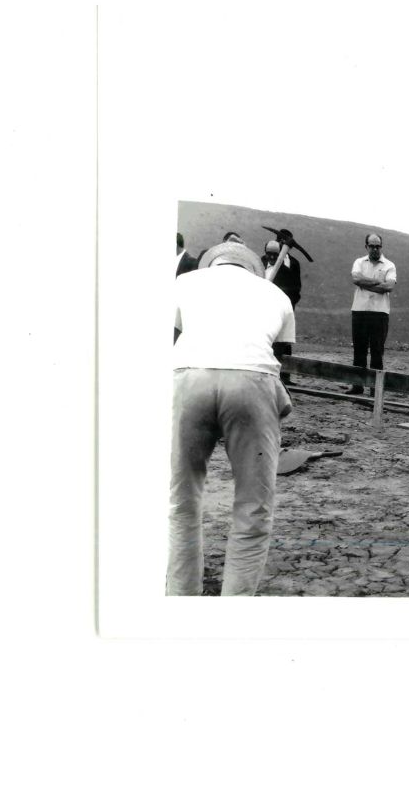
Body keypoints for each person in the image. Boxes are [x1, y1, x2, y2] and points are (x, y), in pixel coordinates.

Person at [167, 241, 296, 596]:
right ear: (253, 268)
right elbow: (277, 349)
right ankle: (234, 605)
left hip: (188, 376)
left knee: (182, 502)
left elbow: (175, 331)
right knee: (254, 506)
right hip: (253, 381)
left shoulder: (184, 282)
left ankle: (180, 597)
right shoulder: (275, 293)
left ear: (213, 264)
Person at [348, 232, 396, 395]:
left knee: (377, 351)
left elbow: (388, 287)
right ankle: (357, 385)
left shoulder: (389, 265)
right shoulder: (359, 262)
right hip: (360, 310)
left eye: (378, 246)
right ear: (366, 246)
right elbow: (356, 279)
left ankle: (375, 389)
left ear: (381, 247)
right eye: (372, 246)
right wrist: (377, 282)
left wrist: (365, 283)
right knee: (359, 350)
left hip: (379, 313)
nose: (375, 249)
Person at [262, 239, 302, 385]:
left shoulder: (286, 272)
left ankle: (283, 378)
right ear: (265, 253)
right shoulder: (258, 266)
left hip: (277, 314)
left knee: (281, 345)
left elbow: (295, 293)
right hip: (260, 313)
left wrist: (283, 307)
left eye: (275, 254)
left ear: (280, 254)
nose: (272, 257)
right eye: (269, 254)